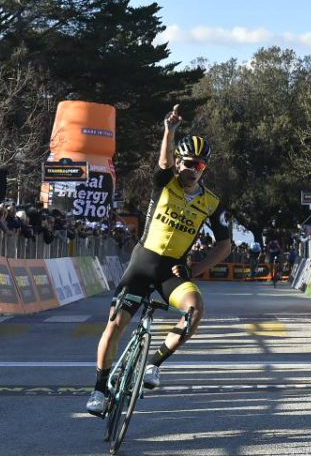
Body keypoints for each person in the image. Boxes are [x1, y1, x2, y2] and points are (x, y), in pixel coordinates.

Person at [86, 105, 233, 417]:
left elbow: (224, 245)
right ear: (179, 163)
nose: (192, 169)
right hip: (142, 263)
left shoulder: (212, 203)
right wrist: (169, 130)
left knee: (195, 310)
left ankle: (153, 364)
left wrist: (195, 268)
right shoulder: (165, 183)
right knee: (115, 324)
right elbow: (163, 161)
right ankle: (99, 389)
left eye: (199, 165)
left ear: (204, 168)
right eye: (188, 163)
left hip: (173, 270)